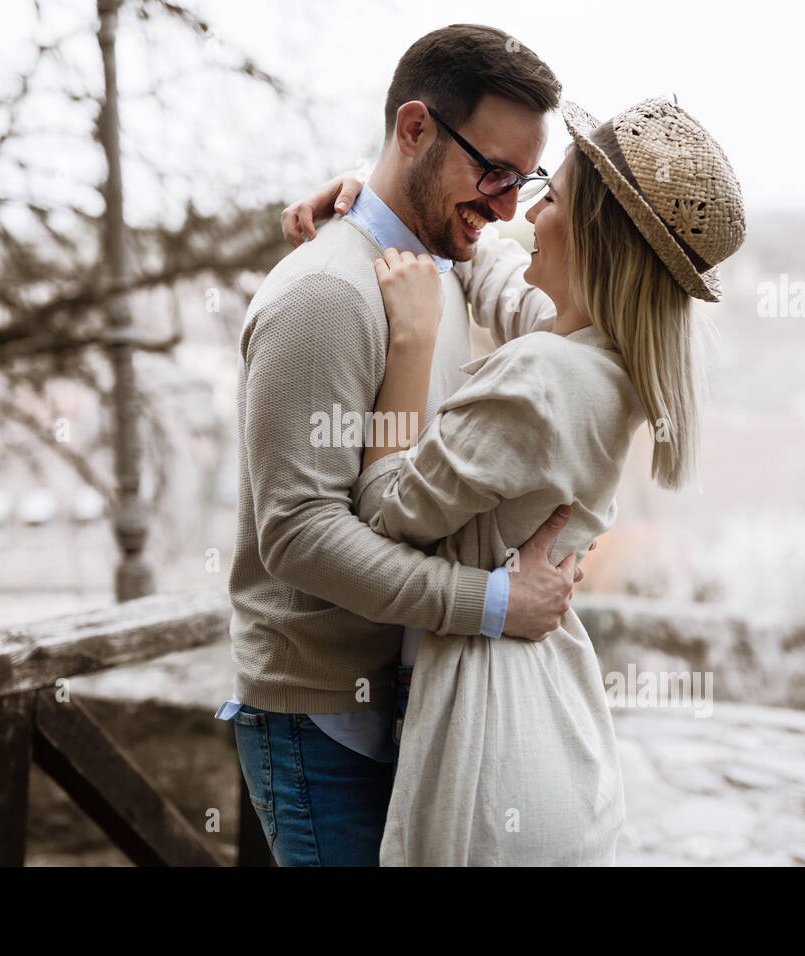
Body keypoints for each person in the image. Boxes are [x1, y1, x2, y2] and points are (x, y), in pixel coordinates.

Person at [303, 95, 746, 863]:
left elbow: (384, 515)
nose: (529, 214)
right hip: (550, 734)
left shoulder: (543, 378)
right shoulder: (607, 363)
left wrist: (411, 345)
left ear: (596, 239)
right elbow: (507, 277)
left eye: (556, 196)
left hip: (490, 749)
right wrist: (382, 200)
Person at [217, 24, 585, 867]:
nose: (505, 207)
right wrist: (494, 605)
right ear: (414, 129)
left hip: (398, 704)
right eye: (491, 173)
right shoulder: (324, 295)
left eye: (523, 181)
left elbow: (564, 318)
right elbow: (300, 533)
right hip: (320, 721)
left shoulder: (440, 263)